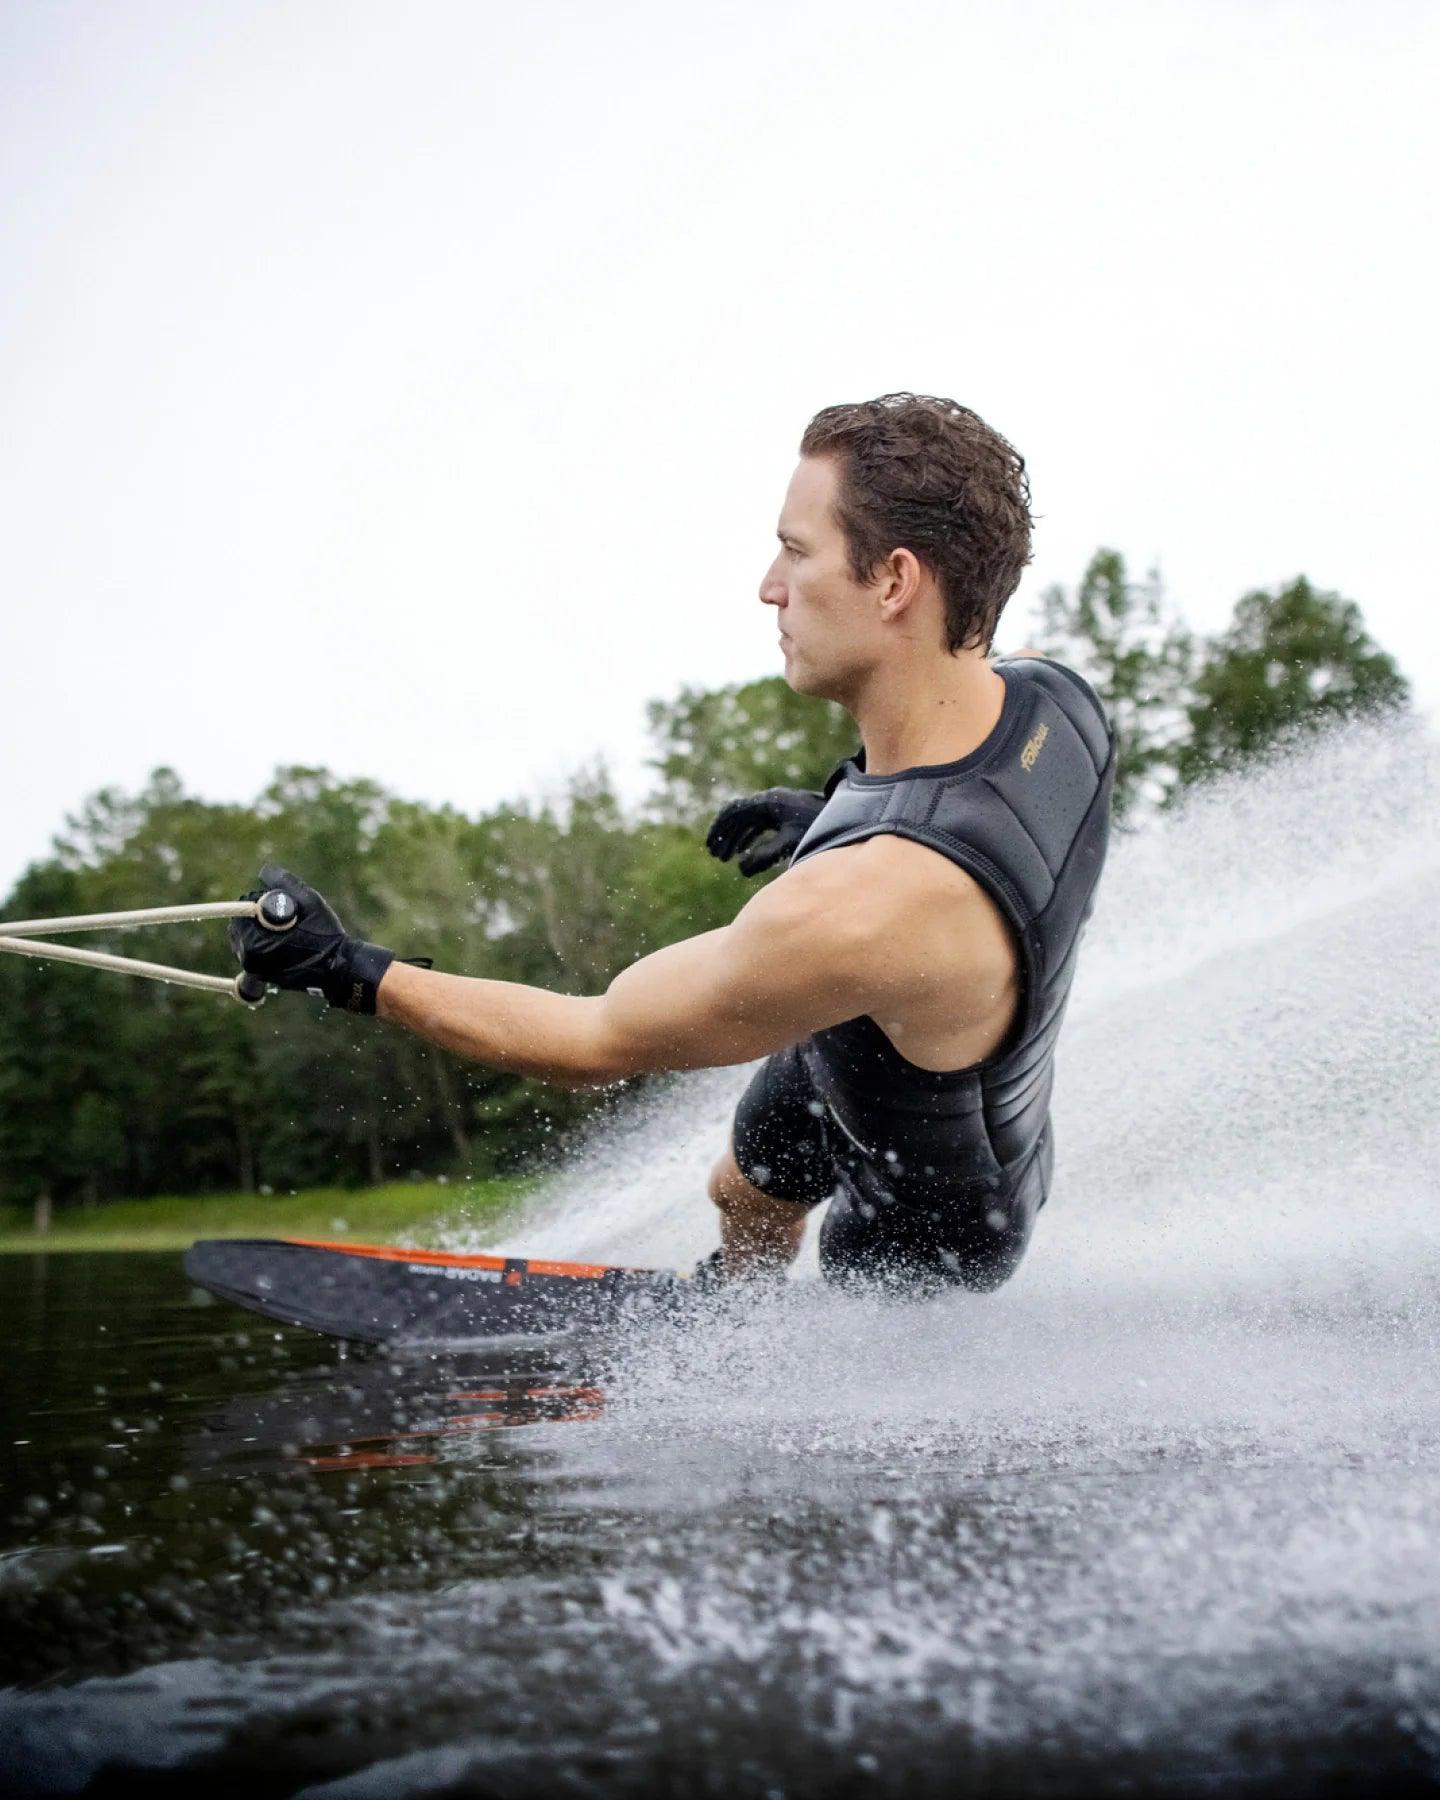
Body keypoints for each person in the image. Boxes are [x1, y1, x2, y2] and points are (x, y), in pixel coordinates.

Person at [232, 394, 1115, 1294]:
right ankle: (737, 1307)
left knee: (852, 1272)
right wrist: (831, 811)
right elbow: (979, 817)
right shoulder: (1058, 703)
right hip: (884, 1050)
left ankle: (767, 1363)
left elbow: (592, 1038)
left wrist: (350, 969)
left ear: (893, 582)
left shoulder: (856, 912)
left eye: (797, 552)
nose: (769, 586)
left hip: (933, 1219)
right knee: (743, 1189)